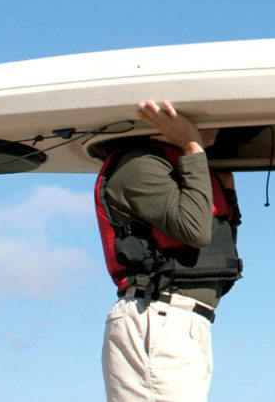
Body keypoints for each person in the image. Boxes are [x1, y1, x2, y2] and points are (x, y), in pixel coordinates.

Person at [95, 101, 243, 402]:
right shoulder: (138, 164)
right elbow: (195, 230)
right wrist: (192, 146)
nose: (220, 125)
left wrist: (224, 185)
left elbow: (221, 235)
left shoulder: (178, 166)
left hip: (185, 323)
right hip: (158, 319)